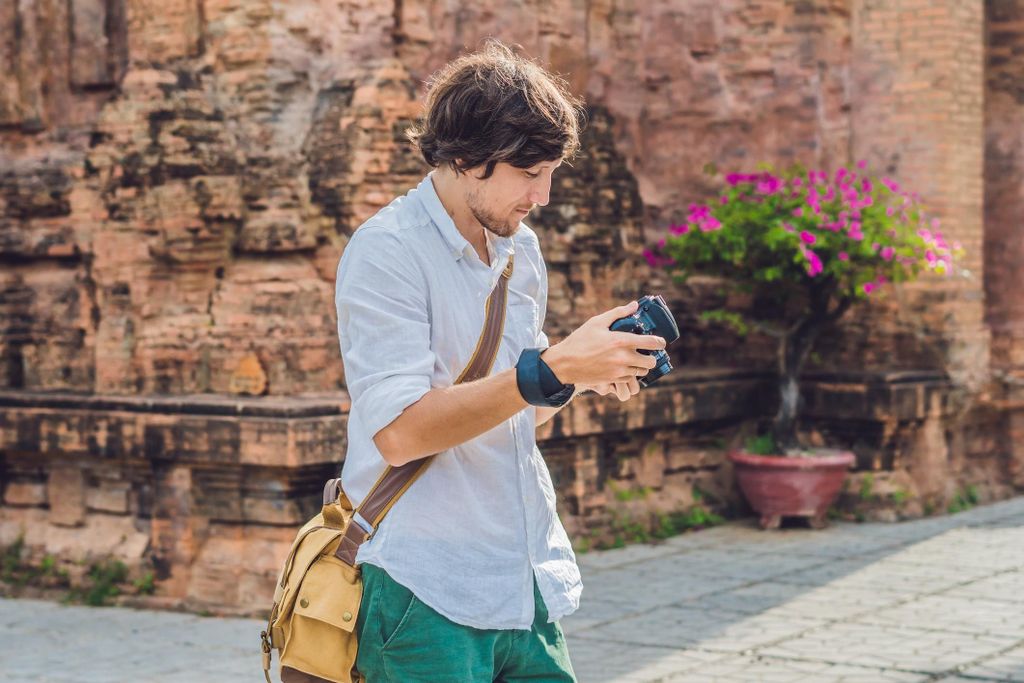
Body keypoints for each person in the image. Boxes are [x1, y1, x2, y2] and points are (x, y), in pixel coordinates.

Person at [334, 39, 666, 682]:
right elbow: (400, 433)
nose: (541, 195)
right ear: (464, 156)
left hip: (522, 573)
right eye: (527, 172)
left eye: (551, 173)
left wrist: (580, 378)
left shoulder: (521, 250)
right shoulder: (386, 252)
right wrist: (554, 370)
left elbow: (514, 413)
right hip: (420, 586)